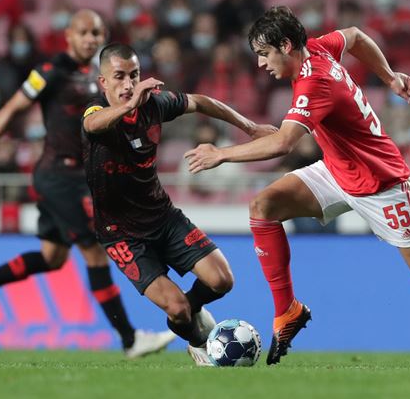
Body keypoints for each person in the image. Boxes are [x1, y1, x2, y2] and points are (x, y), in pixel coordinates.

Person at [184, 6, 410, 366]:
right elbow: (355, 36)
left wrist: (222, 154)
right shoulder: (318, 48)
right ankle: (287, 310)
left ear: (287, 46)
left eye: (264, 53)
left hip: (380, 183)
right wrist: (390, 78)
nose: (261, 63)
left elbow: (283, 143)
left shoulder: (314, 81)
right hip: (338, 169)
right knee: (263, 207)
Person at [0, 10, 176, 359]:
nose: (90, 39)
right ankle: (130, 339)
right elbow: (10, 109)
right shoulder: (50, 72)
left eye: (96, 32)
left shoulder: (103, 77)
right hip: (60, 177)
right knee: (95, 250)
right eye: (83, 32)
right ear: (68, 35)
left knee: (52, 257)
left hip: (76, 177)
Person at [81, 43, 276, 365]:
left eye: (134, 75)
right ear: (103, 82)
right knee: (177, 310)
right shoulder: (95, 111)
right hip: (121, 234)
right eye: (119, 76)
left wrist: (250, 127)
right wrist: (128, 106)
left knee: (222, 280)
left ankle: (192, 308)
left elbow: (200, 101)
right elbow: (93, 125)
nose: (128, 84)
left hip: (163, 216)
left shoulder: (155, 105)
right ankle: (199, 342)